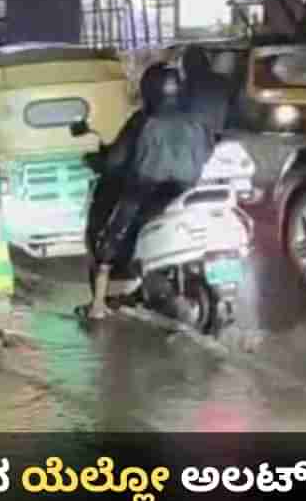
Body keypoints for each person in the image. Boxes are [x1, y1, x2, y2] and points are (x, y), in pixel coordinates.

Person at [84, 62, 214, 320]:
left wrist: (97, 161)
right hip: (186, 192)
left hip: (145, 191)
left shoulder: (142, 122)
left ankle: (98, 304)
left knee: (112, 234)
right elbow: (207, 151)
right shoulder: (196, 121)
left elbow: (116, 160)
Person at [180, 45, 233, 139]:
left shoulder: (185, 85)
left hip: (196, 134)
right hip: (219, 132)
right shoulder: (223, 81)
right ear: (206, 62)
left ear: (185, 65)